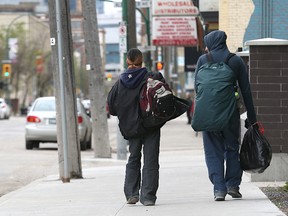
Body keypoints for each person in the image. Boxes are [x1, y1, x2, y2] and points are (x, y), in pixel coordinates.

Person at [194, 30, 257, 201]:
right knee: (231, 148)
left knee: (213, 151)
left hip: (208, 115)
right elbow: (246, 91)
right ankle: (233, 185)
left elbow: (197, 90)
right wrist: (253, 118)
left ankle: (219, 189)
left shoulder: (202, 60)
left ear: (211, 43)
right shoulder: (235, 60)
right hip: (230, 114)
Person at [107, 48, 165, 206]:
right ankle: (148, 197)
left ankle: (132, 194)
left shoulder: (119, 83)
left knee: (133, 158)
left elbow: (111, 108)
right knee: (151, 160)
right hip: (151, 125)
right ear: (141, 61)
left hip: (131, 128)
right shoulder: (154, 77)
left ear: (128, 62)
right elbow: (167, 100)